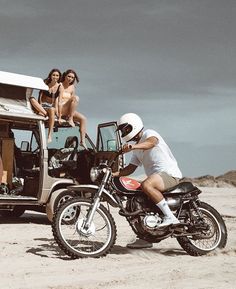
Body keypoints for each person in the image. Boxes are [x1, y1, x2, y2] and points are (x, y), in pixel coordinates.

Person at [114, 113, 182, 249]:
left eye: (125, 129)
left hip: (169, 174)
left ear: (134, 125)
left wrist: (133, 147)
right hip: (157, 178)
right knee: (133, 201)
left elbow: (152, 143)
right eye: (122, 130)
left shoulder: (148, 134)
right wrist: (112, 174)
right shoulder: (137, 149)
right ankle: (146, 237)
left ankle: (170, 217)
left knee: (146, 184)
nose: (123, 132)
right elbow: (130, 169)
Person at [30, 68, 63, 143]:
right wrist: (40, 107)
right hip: (42, 106)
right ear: (51, 76)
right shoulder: (45, 83)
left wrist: (60, 117)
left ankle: (49, 135)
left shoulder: (60, 87)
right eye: (54, 75)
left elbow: (60, 102)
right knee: (31, 98)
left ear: (59, 77)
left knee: (52, 109)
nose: (55, 77)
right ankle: (45, 114)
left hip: (50, 107)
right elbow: (40, 96)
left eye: (57, 75)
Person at [58, 69, 87, 148]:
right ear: (65, 76)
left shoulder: (72, 87)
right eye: (69, 76)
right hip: (61, 108)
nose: (70, 78)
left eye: (72, 77)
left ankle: (82, 141)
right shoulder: (60, 85)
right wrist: (59, 116)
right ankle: (70, 119)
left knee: (83, 119)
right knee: (76, 98)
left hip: (69, 110)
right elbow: (59, 101)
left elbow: (73, 101)